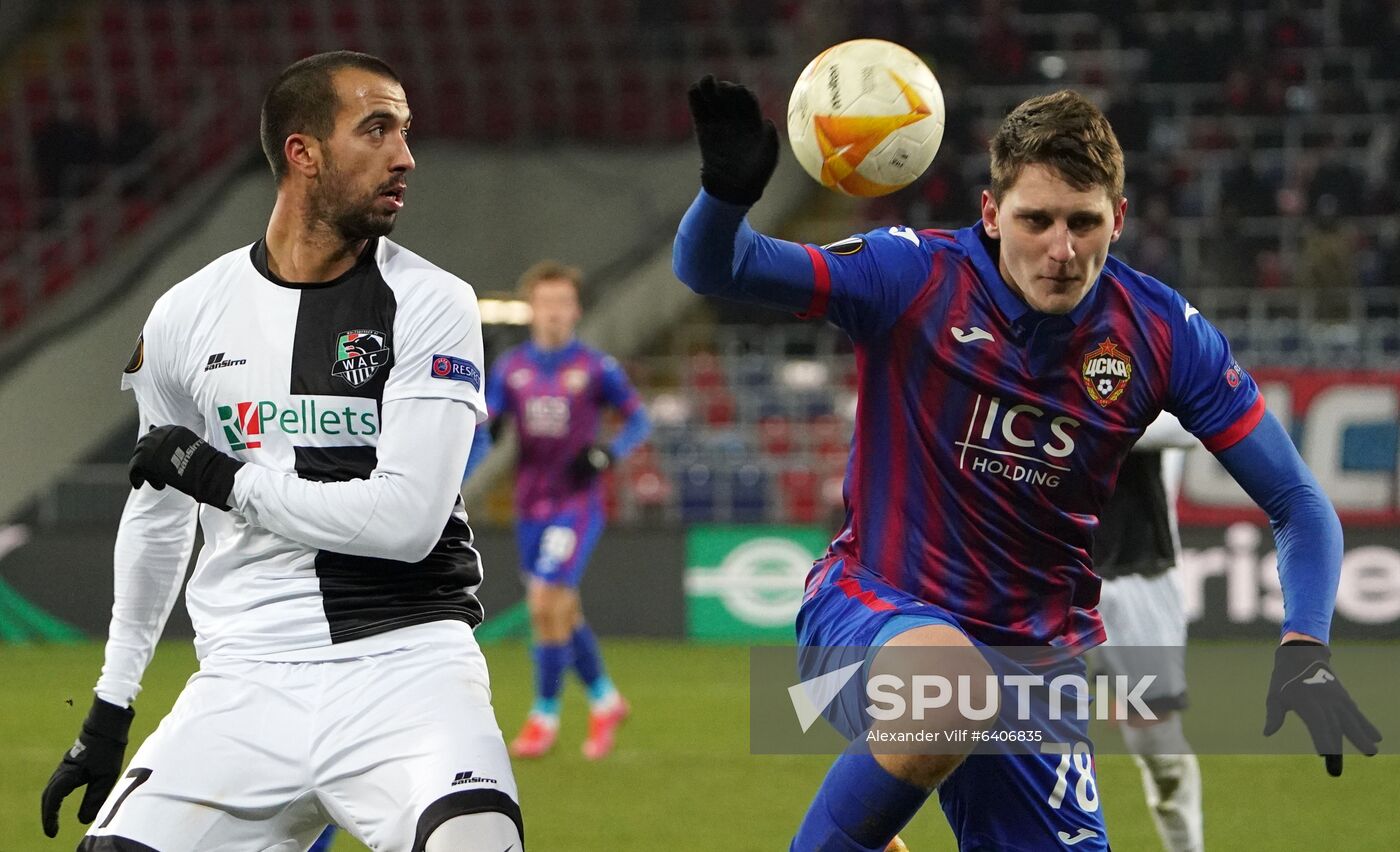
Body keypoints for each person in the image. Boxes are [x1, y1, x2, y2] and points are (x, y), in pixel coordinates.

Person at [674, 77, 1380, 851]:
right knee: (947, 691)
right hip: (870, 610)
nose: (1061, 250)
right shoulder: (913, 276)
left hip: (1037, 666)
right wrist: (725, 197)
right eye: (1035, 220)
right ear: (990, 213)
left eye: (1084, 222)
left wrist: (1306, 642)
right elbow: (717, 267)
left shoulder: (1161, 334)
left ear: (1118, 218)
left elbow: (1297, 501)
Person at [39, 51, 523, 851]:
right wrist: (110, 707)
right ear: (304, 153)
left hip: (406, 667)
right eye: (377, 129)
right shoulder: (184, 316)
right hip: (243, 679)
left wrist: (223, 477)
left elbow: (408, 521)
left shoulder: (433, 303)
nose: (406, 156)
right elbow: (158, 519)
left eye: (405, 131)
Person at [471, 260, 651, 760]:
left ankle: (543, 717)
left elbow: (638, 420)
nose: (554, 312)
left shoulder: (595, 368)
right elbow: (485, 424)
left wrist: (609, 453)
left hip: (576, 503)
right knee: (563, 611)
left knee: (543, 603)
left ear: (575, 310)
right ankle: (606, 700)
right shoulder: (512, 368)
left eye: (562, 302)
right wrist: (476, 439)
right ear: (532, 309)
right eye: (545, 302)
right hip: (529, 505)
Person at [1091, 412, 1202, 851]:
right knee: (1020, 730)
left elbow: (1193, 422)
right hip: (1038, 569)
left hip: (1134, 573)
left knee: (1160, 749)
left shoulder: (1138, 370)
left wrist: (1074, 416)